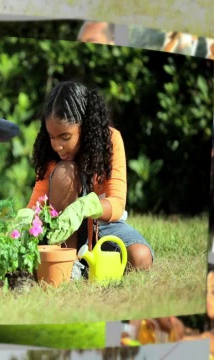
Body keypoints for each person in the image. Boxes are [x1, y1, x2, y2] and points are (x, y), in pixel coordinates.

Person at [23, 81, 154, 274]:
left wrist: (85, 207)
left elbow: (117, 203)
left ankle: (85, 264)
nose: (57, 146)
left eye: (65, 137)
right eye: (52, 137)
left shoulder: (111, 141)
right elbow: (36, 202)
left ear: (84, 126)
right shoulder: (50, 154)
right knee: (65, 173)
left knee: (140, 258)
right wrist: (22, 223)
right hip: (61, 230)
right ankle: (69, 263)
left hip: (104, 225)